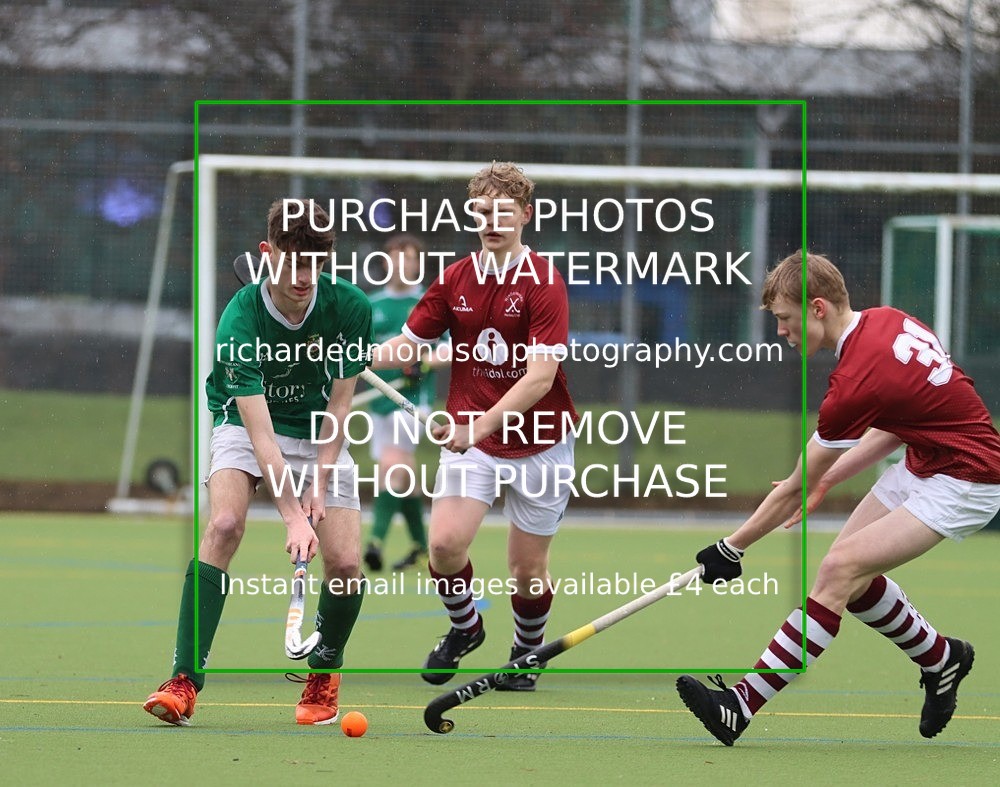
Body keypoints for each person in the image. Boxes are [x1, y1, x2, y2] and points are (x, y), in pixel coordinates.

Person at [676, 250, 1000, 745]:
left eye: (785, 319)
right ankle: (942, 658)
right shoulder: (886, 321)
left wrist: (732, 548)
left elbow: (792, 487)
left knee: (837, 570)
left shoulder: (854, 381)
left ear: (818, 308)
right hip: (924, 460)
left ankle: (740, 705)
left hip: (967, 479)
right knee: (850, 576)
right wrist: (827, 480)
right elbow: (896, 425)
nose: (781, 332)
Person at [143, 199, 373, 726]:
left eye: (315, 264)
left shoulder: (350, 307)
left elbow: (340, 407)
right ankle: (183, 680)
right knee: (224, 524)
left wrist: (319, 484)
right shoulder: (240, 319)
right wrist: (293, 516)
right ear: (267, 253)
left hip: (318, 428)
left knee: (344, 563)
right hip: (248, 426)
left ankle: (324, 671)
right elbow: (260, 433)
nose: (304, 278)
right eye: (293, 263)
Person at [371, 161, 578, 691]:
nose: (491, 222)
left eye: (503, 212)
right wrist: (356, 356)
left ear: (525, 215)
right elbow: (409, 345)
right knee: (443, 545)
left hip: (541, 443)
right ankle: (466, 628)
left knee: (527, 570)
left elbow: (540, 378)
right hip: (476, 444)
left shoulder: (544, 283)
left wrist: (476, 427)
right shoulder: (455, 278)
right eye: (482, 211)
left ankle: (526, 654)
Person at [363, 233, 439, 574]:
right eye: (396, 258)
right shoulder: (371, 304)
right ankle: (422, 548)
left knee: (392, 466)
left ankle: (374, 542)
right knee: (403, 476)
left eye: (409, 259)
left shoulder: (428, 302)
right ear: (385, 263)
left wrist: (425, 362)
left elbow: (451, 348)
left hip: (412, 403)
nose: (401, 265)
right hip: (379, 403)